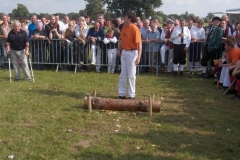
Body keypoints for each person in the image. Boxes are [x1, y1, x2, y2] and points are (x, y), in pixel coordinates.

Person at [117, 12, 142, 99]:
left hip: (132, 52)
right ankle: (122, 94)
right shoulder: (124, 27)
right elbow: (121, 39)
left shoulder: (134, 28)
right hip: (124, 52)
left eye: (125, 17)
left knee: (131, 75)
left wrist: (138, 56)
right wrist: (119, 49)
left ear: (130, 19)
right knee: (123, 74)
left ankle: (132, 95)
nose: (124, 18)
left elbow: (139, 44)